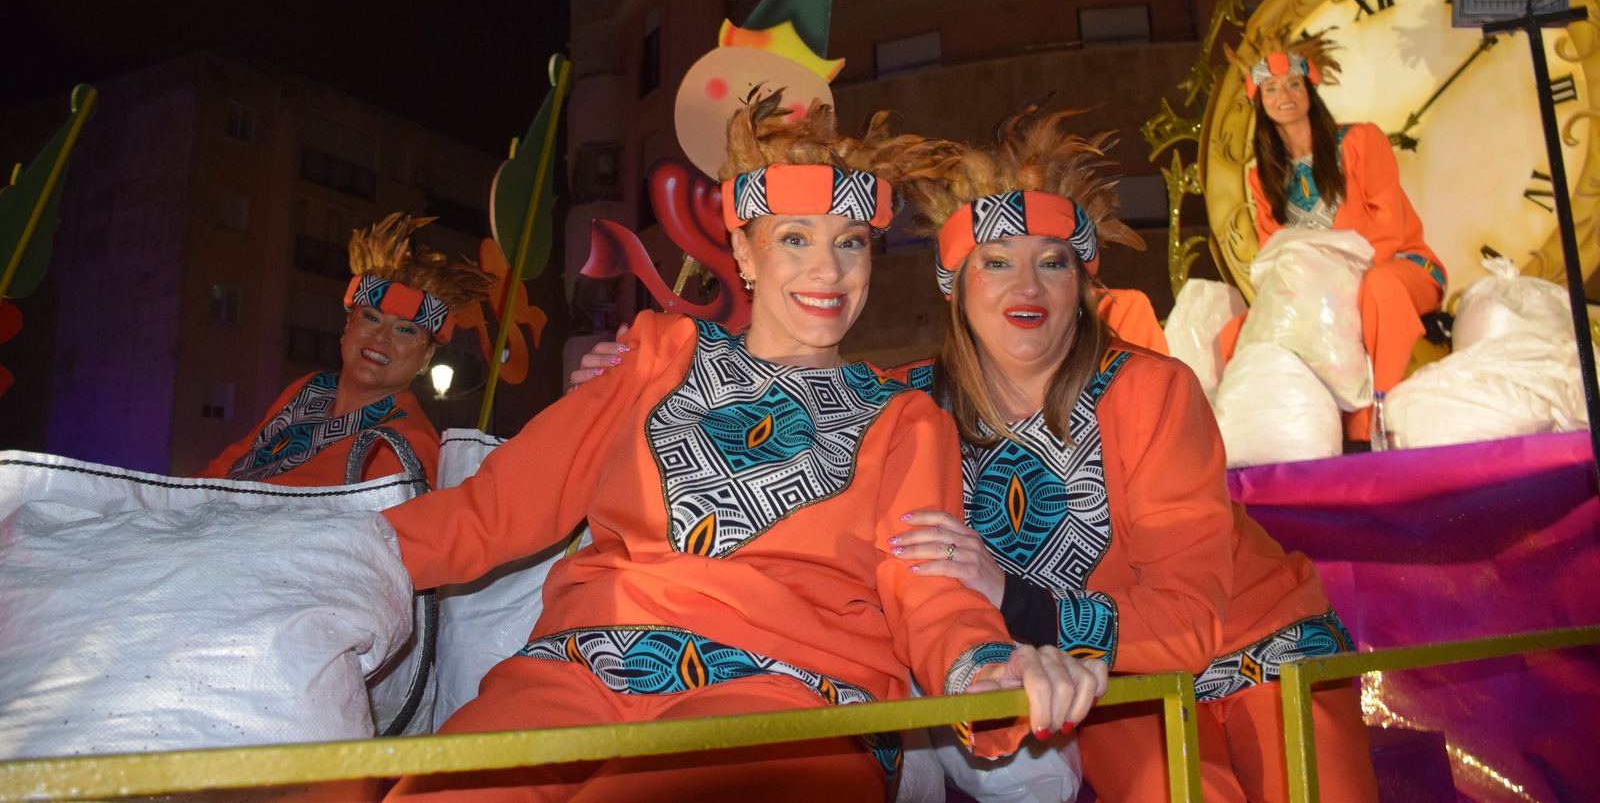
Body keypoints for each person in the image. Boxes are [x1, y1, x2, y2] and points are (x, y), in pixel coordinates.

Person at [381, 101, 1107, 802]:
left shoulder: (906, 418)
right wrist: (353, 557)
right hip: (573, 672)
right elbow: (498, 505)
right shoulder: (655, 355)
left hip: (789, 692)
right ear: (741, 251)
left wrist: (980, 666)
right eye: (795, 238)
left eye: (850, 242)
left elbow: (928, 584)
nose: (828, 272)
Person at [881, 110, 1377, 802]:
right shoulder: (907, 408)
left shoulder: (1151, 389)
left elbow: (1190, 617)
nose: (1027, 286)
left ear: (1082, 285)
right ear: (955, 283)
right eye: (996, 262)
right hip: (1111, 681)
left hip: (1262, 642)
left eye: (1052, 261)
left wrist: (1011, 599)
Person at [1220, 30, 1445, 441]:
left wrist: (1336, 281)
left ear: (1310, 88)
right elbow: (1275, 252)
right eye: (1271, 88)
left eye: (1293, 84)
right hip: (1322, 292)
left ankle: (1378, 413)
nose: (1284, 95)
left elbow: (1389, 225)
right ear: (1259, 100)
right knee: (1239, 331)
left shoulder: (1360, 141)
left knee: (1378, 288)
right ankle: (1272, 434)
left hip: (1398, 267)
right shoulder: (1262, 177)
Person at [199, 213, 491, 486]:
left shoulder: (408, 444)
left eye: (404, 330)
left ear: (426, 356)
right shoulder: (310, 389)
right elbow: (224, 469)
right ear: (347, 326)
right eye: (371, 318)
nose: (381, 337)